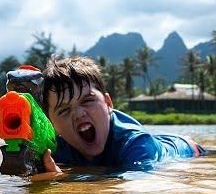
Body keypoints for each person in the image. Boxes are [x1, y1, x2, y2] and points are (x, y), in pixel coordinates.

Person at [38, 56, 204, 173]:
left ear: (108, 103)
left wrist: (61, 180)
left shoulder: (137, 145)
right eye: (64, 110)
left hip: (186, 149)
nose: (79, 113)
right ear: (52, 123)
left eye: (87, 101)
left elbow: (140, 188)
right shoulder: (53, 148)